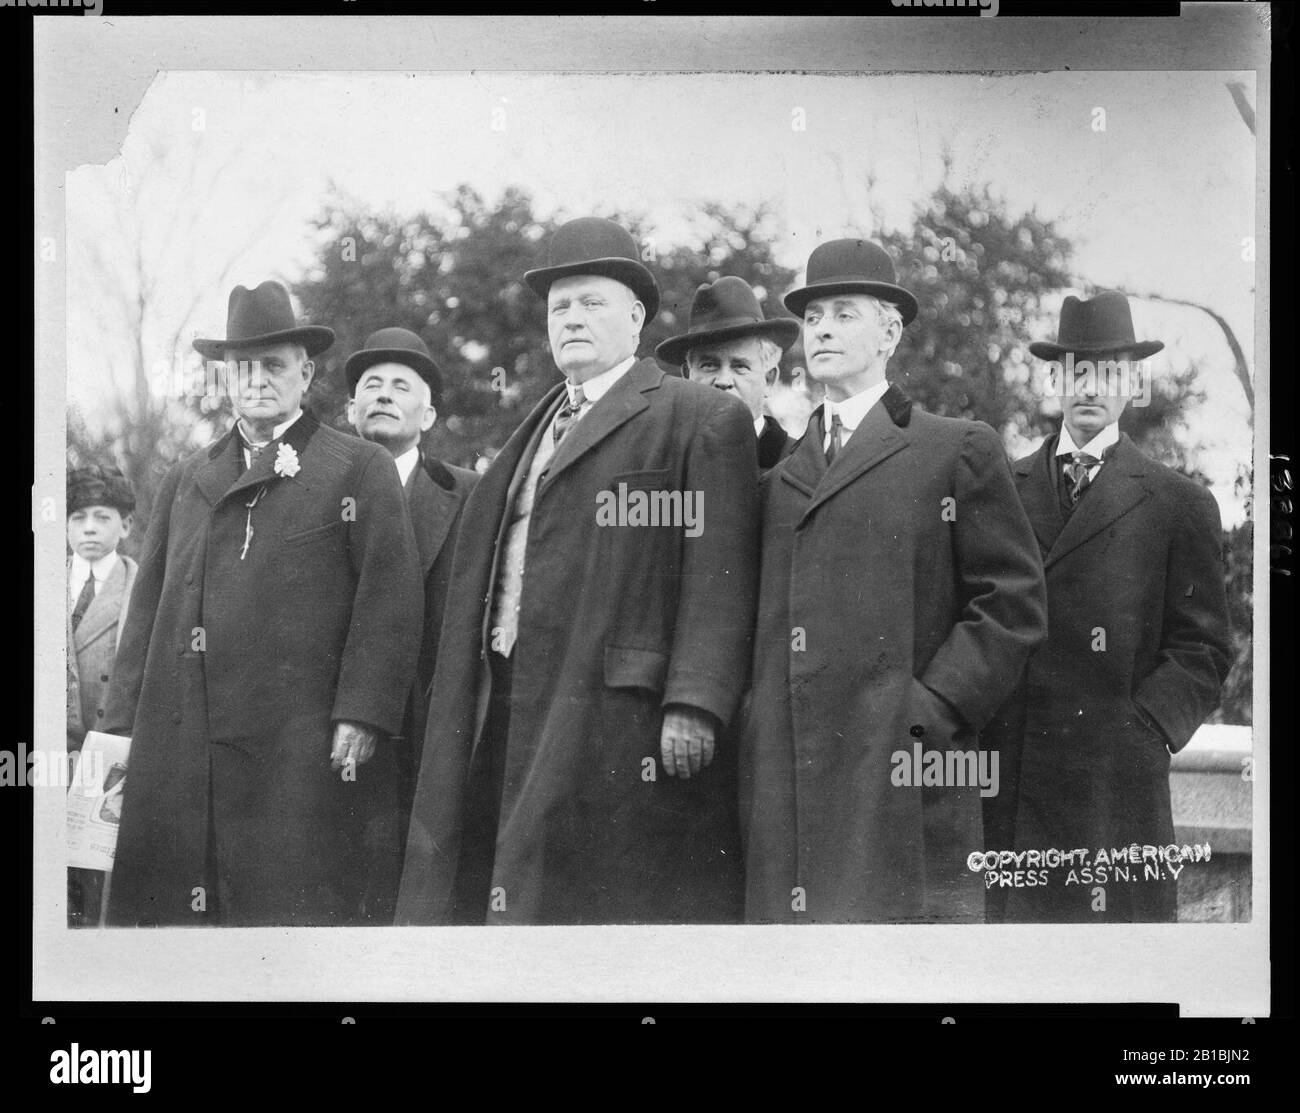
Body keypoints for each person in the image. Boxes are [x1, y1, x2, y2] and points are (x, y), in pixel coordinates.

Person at [396, 217, 759, 925]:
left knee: (592, 912)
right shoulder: (530, 431)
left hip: (616, 714)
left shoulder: (698, 415)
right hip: (503, 698)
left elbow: (720, 572)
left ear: (634, 316)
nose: (572, 318)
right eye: (560, 306)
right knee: (494, 899)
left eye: (591, 302)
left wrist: (696, 698)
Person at [740, 238, 1048, 923]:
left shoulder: (955, 447)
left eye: (843, 313)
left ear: (889, 332)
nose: (820, 329)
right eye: (812, 316)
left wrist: (929, 708)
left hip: (903, 780)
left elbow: (1012, 603)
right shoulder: (778, 477)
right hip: (787, 791)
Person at [101, 280, 422, 926]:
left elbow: (390, 602)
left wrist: (361, 714)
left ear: (304, 372)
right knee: (182, 933)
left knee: (285, 922)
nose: (256, 380)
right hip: (187, 749)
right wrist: (113, 734)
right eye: (242, 366)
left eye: (272, 365)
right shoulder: (185, 477)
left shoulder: (356, 468)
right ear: (224, 377)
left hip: (297, 757)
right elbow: (144, 614)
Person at [985, 290, 1232, 923]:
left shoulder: (1178, 503)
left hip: (1115, 790)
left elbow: (1202, 649)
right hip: (1010, 778)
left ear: (1130, 385)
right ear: (1056, 382)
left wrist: (1141, 730)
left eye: (1108, 371)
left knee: (1111, 971)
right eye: (1075, 370)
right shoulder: (1000, 486)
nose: (1089, 385)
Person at [344, 326, 479, 922]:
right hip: (334, 728)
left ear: (428, 415)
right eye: (371, 385)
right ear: (350, 410)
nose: (383, 395)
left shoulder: (470, 495)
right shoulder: (321, 492)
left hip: (428, 734)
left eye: (402, 386)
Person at [66, 464, 139, 926]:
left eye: (102, 516)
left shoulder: (144, 587)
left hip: (113, 752)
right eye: (78, 517)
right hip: (49, 754)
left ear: (126, 525)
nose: (89, 527)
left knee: (99, 875)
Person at [656, 276, 800, 471]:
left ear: (768, 380)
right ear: (686, 376)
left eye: (740, 366)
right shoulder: (661, 464)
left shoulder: (800, 465)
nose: (724, 381)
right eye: (709, 365)